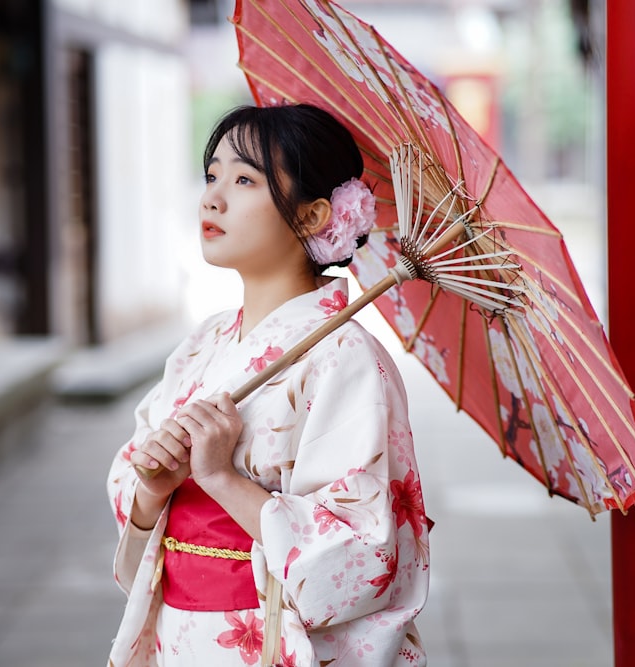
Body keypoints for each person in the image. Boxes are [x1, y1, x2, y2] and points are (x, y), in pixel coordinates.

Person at [106, 104, 430, 667]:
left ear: (311, 217)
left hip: (267, 632)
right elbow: (134, 478)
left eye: (244, 179)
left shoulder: (347, 358)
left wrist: (220, 479)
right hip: (179, 635)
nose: (211, 197)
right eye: (211, 176)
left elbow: (366, 549)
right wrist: (152, 490)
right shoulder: (202, 344)